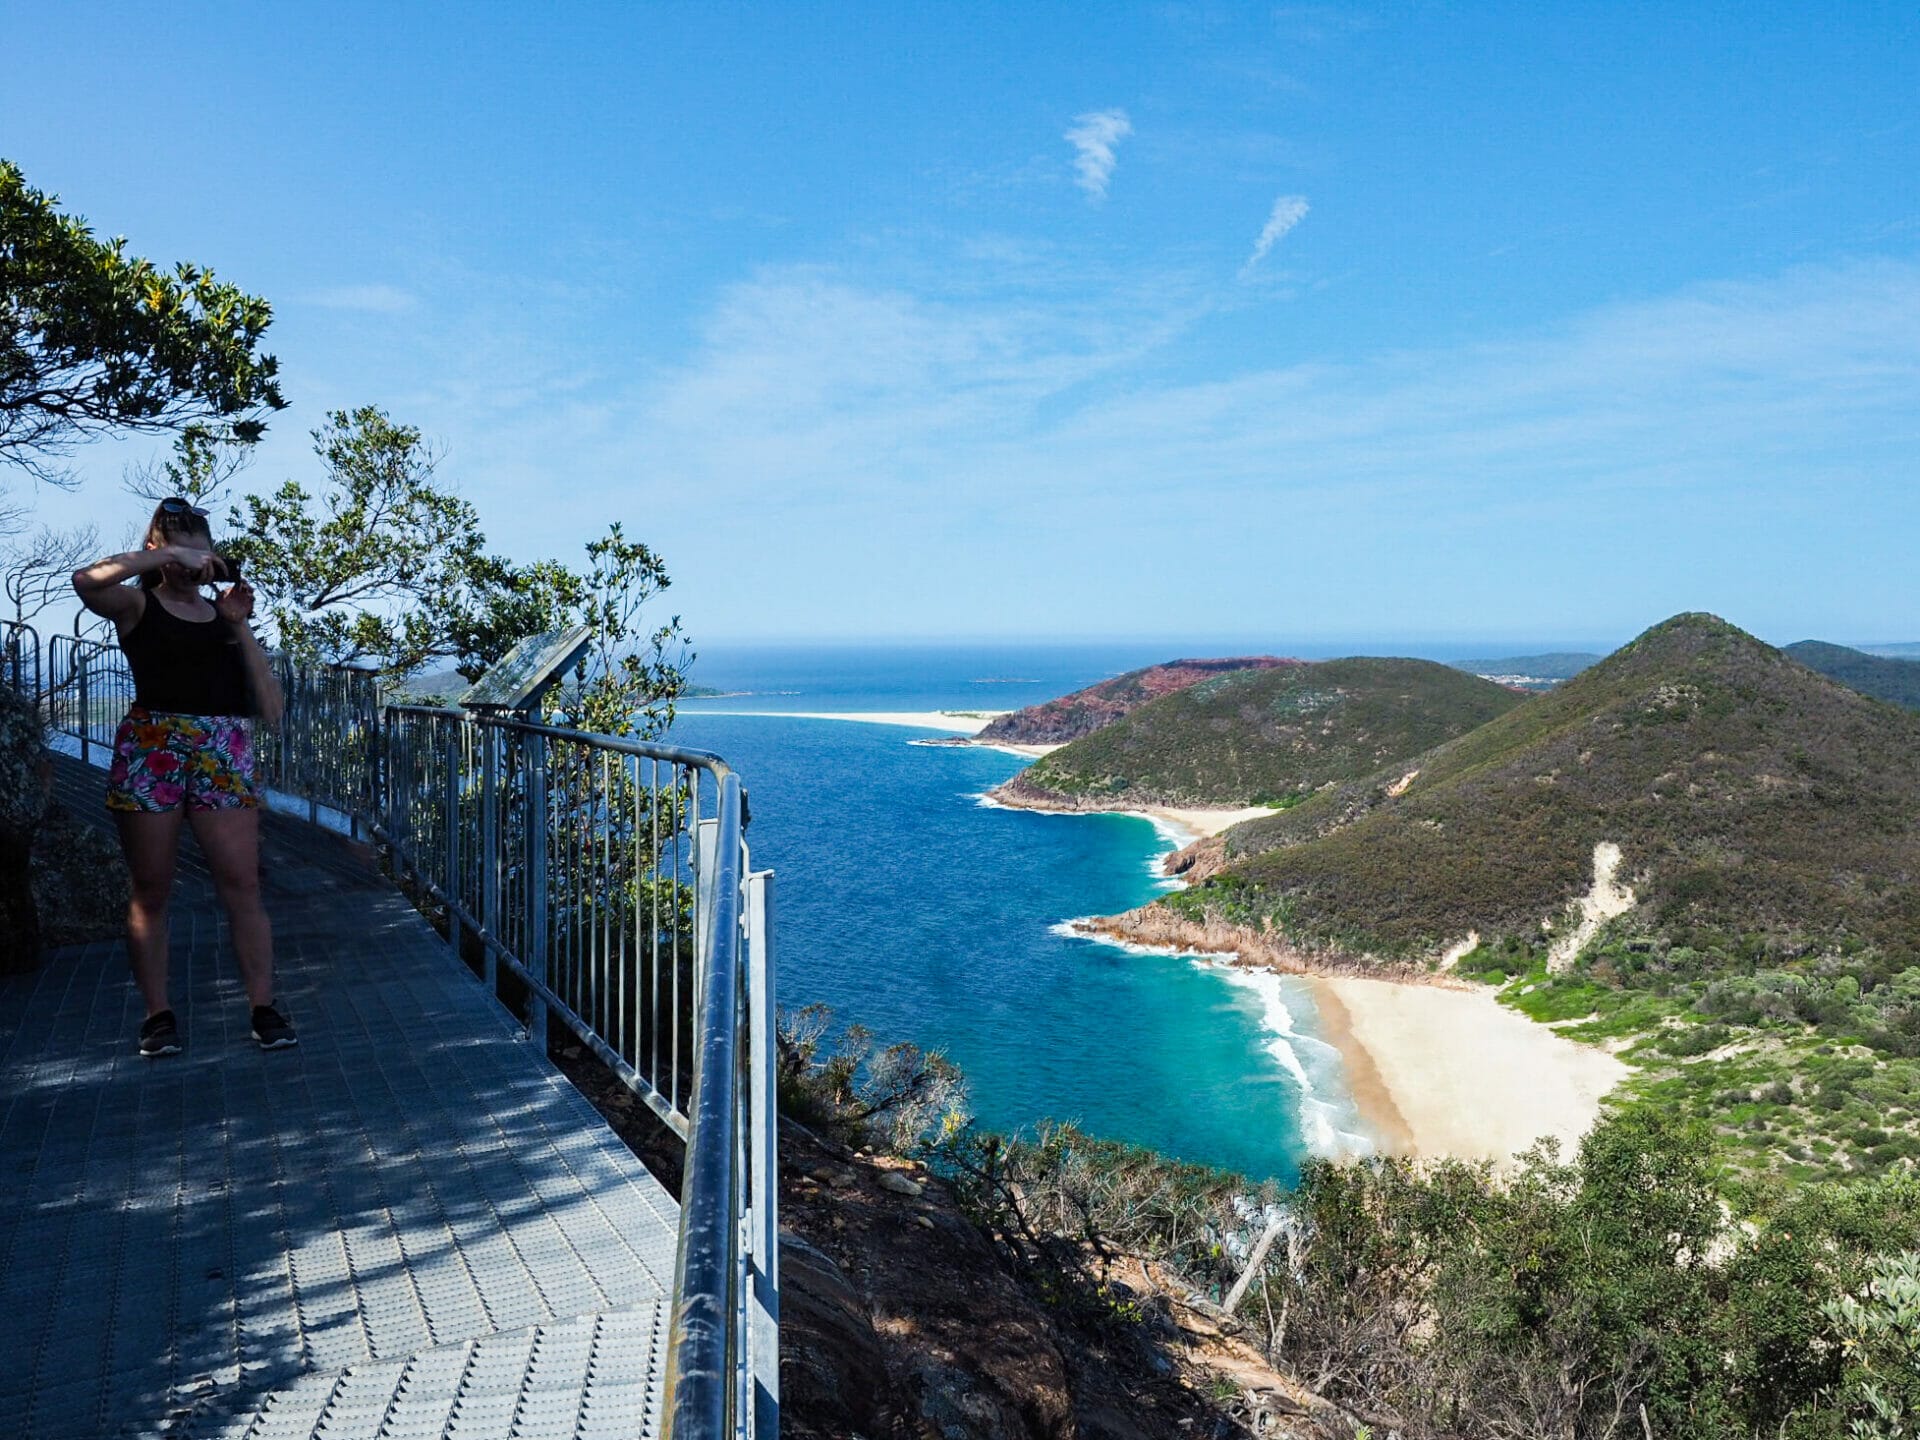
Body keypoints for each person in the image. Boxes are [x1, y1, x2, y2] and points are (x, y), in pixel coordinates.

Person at [72, 497, 297, 1055]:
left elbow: (272, 706)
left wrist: (239, 626)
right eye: (174, 541)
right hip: (154, 748)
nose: (188, 553)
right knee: (151, 888)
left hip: (222, 749)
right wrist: (160, 556)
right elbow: (85, 579)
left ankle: (263, 1007)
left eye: (196, 541)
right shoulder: (136, 607)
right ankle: (158, 1015)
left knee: (242, 883)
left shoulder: (225, 617)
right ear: (156, 549)